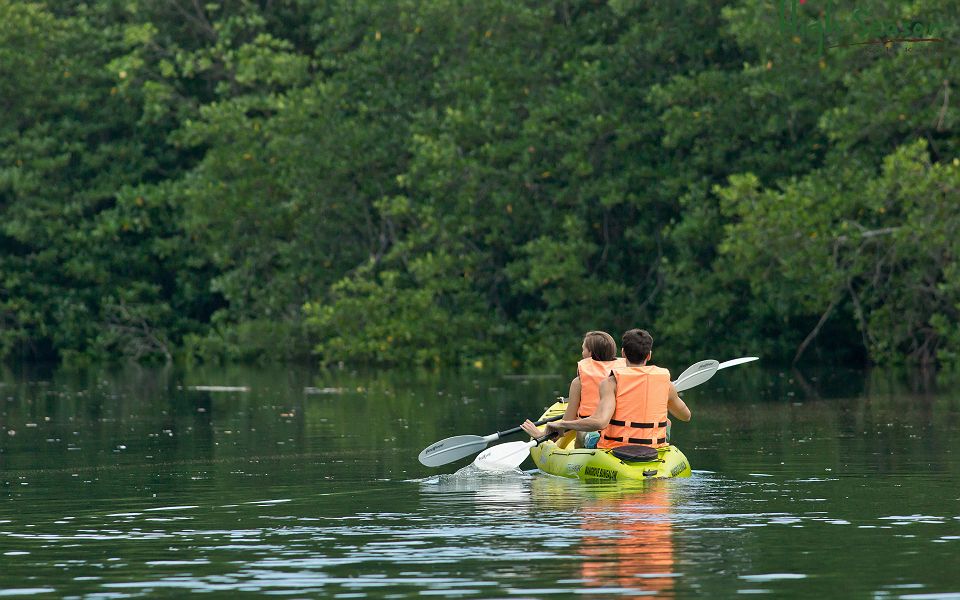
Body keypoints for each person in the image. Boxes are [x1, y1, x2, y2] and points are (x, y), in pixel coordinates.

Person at [522, 329, 690, 449]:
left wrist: (561, 424)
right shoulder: (664, 382)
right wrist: (666, 395)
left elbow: (601, 422)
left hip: (616, 447)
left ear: (623, 353)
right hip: (652, 447)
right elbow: (686, 416)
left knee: (582, 434)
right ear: (649, 355)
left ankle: (582, 455)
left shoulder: (612, 382)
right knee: (667, 422)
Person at [561, 331, 625, 447]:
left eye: (583, 349)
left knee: (580, 430)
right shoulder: (624, 376)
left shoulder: (578, 382)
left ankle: (586, 446)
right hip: (620, 432)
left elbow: (568, 422)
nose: (582, 352)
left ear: (590, 353)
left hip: (593, 433)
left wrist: (546, 437)